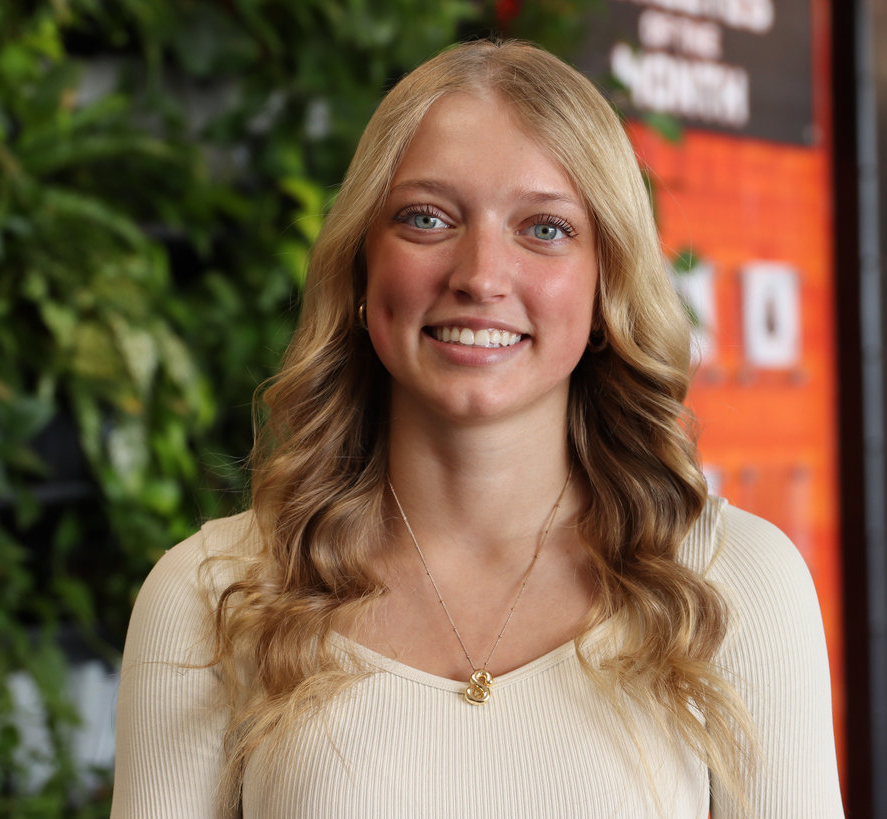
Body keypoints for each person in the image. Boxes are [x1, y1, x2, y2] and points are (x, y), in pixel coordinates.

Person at [111, 39, 845, 818]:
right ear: (363, 268)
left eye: (546, 229)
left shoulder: (739, 582)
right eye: (428, 218)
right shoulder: (210, 596)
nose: (481, 275)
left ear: (607, 286)